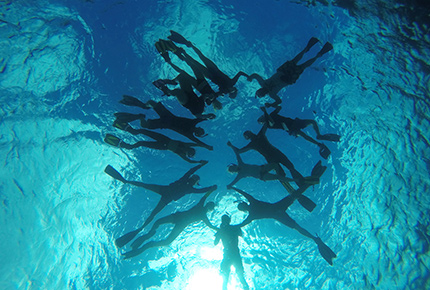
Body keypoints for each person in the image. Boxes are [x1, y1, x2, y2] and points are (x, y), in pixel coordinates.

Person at [104, 162, 217, 248]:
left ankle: (141, 229)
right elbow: (201, 189)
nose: (193, 180)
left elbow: (198, 185)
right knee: (150, 205)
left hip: (165, 193)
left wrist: (202, 167)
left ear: (193, 179)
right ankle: (141, 229)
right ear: (195, 181)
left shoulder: (189, 186)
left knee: (146, 191)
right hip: (166, 194)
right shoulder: (190, 187)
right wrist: (210, 187)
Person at [231, 187, 336, 265]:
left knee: (294, 196)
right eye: (242, 207)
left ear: (244, 206)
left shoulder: (252, 208)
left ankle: (308, 183)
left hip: (278, 208)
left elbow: (244, 194)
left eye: (242, 205)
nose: (244, 206)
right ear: (244, 208)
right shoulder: (251, 215)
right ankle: (315, 239)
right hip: (278, 213)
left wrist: (233, 187)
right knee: (296, 226)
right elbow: (240, 224)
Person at [122, 191, 216, 259]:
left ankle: (148, 243)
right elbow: (205, 198)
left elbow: (205, 197)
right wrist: (219, 229)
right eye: (210, 207)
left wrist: (211, 190)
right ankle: (149, 238)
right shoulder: (202, 212)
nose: (209, 207)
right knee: (160, 227)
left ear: (209, 208)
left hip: (180, 221)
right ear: (209, 208)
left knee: (162, 232)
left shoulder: (203, 215)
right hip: (179, 219)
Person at [247, 37, 333, 107]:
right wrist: (271, 104)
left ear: (260, 89)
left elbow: (255, 75)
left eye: (259, 92)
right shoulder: (271, 94)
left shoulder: (264, 84)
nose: (261, 92)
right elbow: (279, 101)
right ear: (263, 94)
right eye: (261, 94)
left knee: (297, 62)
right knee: (302, 65)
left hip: (284, 73)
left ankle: (308, 50)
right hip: (288, 78)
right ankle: (316, 54)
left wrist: (250, 77)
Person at [167, 30, 249, 99]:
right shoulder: (232, 82)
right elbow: (240, 73)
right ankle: (189, 45)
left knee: (195, 64)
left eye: (231, 91)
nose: (232, 89)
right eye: (234, 90)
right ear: (235, 89)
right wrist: (248, 76)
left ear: (230, 92)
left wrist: (215, 96)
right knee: (202, 56)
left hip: (210, 75)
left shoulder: (224, 90)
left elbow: (216, 94)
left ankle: (183, 53)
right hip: (215, 70)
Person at [114, 96, 215, 150]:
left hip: (164, 123)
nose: (201, 129)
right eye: (202, 129)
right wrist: (208, 117)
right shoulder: (193, 123)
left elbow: (198, 142)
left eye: (201, 131)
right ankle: (143, 106)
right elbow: (201, 119)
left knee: (144, 125)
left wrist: (206, 146)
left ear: (197, 133)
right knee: (151, 102)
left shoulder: (189, 134)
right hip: (168, 116)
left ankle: (140, 116)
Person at [231, 124, 308, 187]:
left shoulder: (256, 140)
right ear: (249, 136)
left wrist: (231, 146)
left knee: (289, 168)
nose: (250, 134)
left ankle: (298, 181)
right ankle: (296, 181)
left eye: (248, 133)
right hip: (274, 155)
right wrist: (231, 146)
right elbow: (239, 151)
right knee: (285, 171)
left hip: (274, 155)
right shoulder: (255, 141)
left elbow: (239, 151)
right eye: (248, 134)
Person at [258, 106, 340, 159]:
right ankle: (318, 144)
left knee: (312, 122)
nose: (262, 119)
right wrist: (265, 111)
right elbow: (271, 121)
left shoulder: (271, 114)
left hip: (294, 122)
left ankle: (319, 135)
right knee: (303, 135)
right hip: (290, 128)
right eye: (261, 121)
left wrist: (271, 105)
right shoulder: (268, 125)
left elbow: (279, 107)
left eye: (261, 118)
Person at [104, 128, 204, 164]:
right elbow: (194, 144)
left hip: (162, 145)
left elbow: (189, 161)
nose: (188, 152)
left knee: (141, 143)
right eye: (189, 152)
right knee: (145, 131)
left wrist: (198, 161)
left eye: (189, 153)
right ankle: (130, 130)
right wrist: (203, 146)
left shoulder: (182, 153)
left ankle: (126, 146)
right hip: (165, 140)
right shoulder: (184, 146)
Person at [226, 140, 293, 188]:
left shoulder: (241, 164)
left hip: (262, 168)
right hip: (262, 176)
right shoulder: (240, 175)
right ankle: (292, 179)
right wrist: (229, 185)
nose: (233, 169)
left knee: (275, 165)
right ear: (233, 172)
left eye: (232, 168)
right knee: (277, 177)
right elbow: (234, 182)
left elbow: (237, 154)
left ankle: (280, 176)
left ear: (234, 165)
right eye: (232, 170)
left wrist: (231, 146)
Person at [212, 214, 249, 290]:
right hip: (233, 253)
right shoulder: (233, 228)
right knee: (239, 276)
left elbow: (215, 243)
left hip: (229, 254)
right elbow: (242, 234)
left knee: (227, 277)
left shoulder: (223, 230)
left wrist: (220, 232)